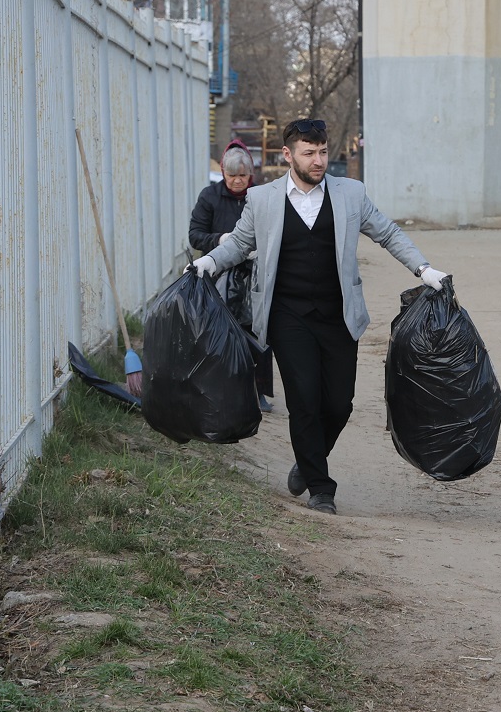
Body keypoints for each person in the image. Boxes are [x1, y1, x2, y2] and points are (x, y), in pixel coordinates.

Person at [191, 118, 451, 514]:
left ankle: (307, 458)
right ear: (288, 155)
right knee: (305, 400)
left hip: (338, 314)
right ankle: (320, 486)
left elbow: (388, 233)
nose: (318, 160)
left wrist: (423, 269)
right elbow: (241, 244)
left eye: (323, 151)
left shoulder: (351, 194)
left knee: (339, 403)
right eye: (309, 152)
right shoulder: (262, 200)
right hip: (286, 315)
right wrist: (209, 263)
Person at [189, 143, 276, 411]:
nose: (238, 181)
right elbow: (195, 235)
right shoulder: (210, 197)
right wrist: (220, 240)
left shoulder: (262, 196)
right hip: (219, 275)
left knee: (257, 330)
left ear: (251, 173)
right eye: (231, 176)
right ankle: (220, 388)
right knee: (220, 330)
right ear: (223, 174)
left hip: (255, 274)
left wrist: (262, 248)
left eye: (243, 175)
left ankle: (258, 391)